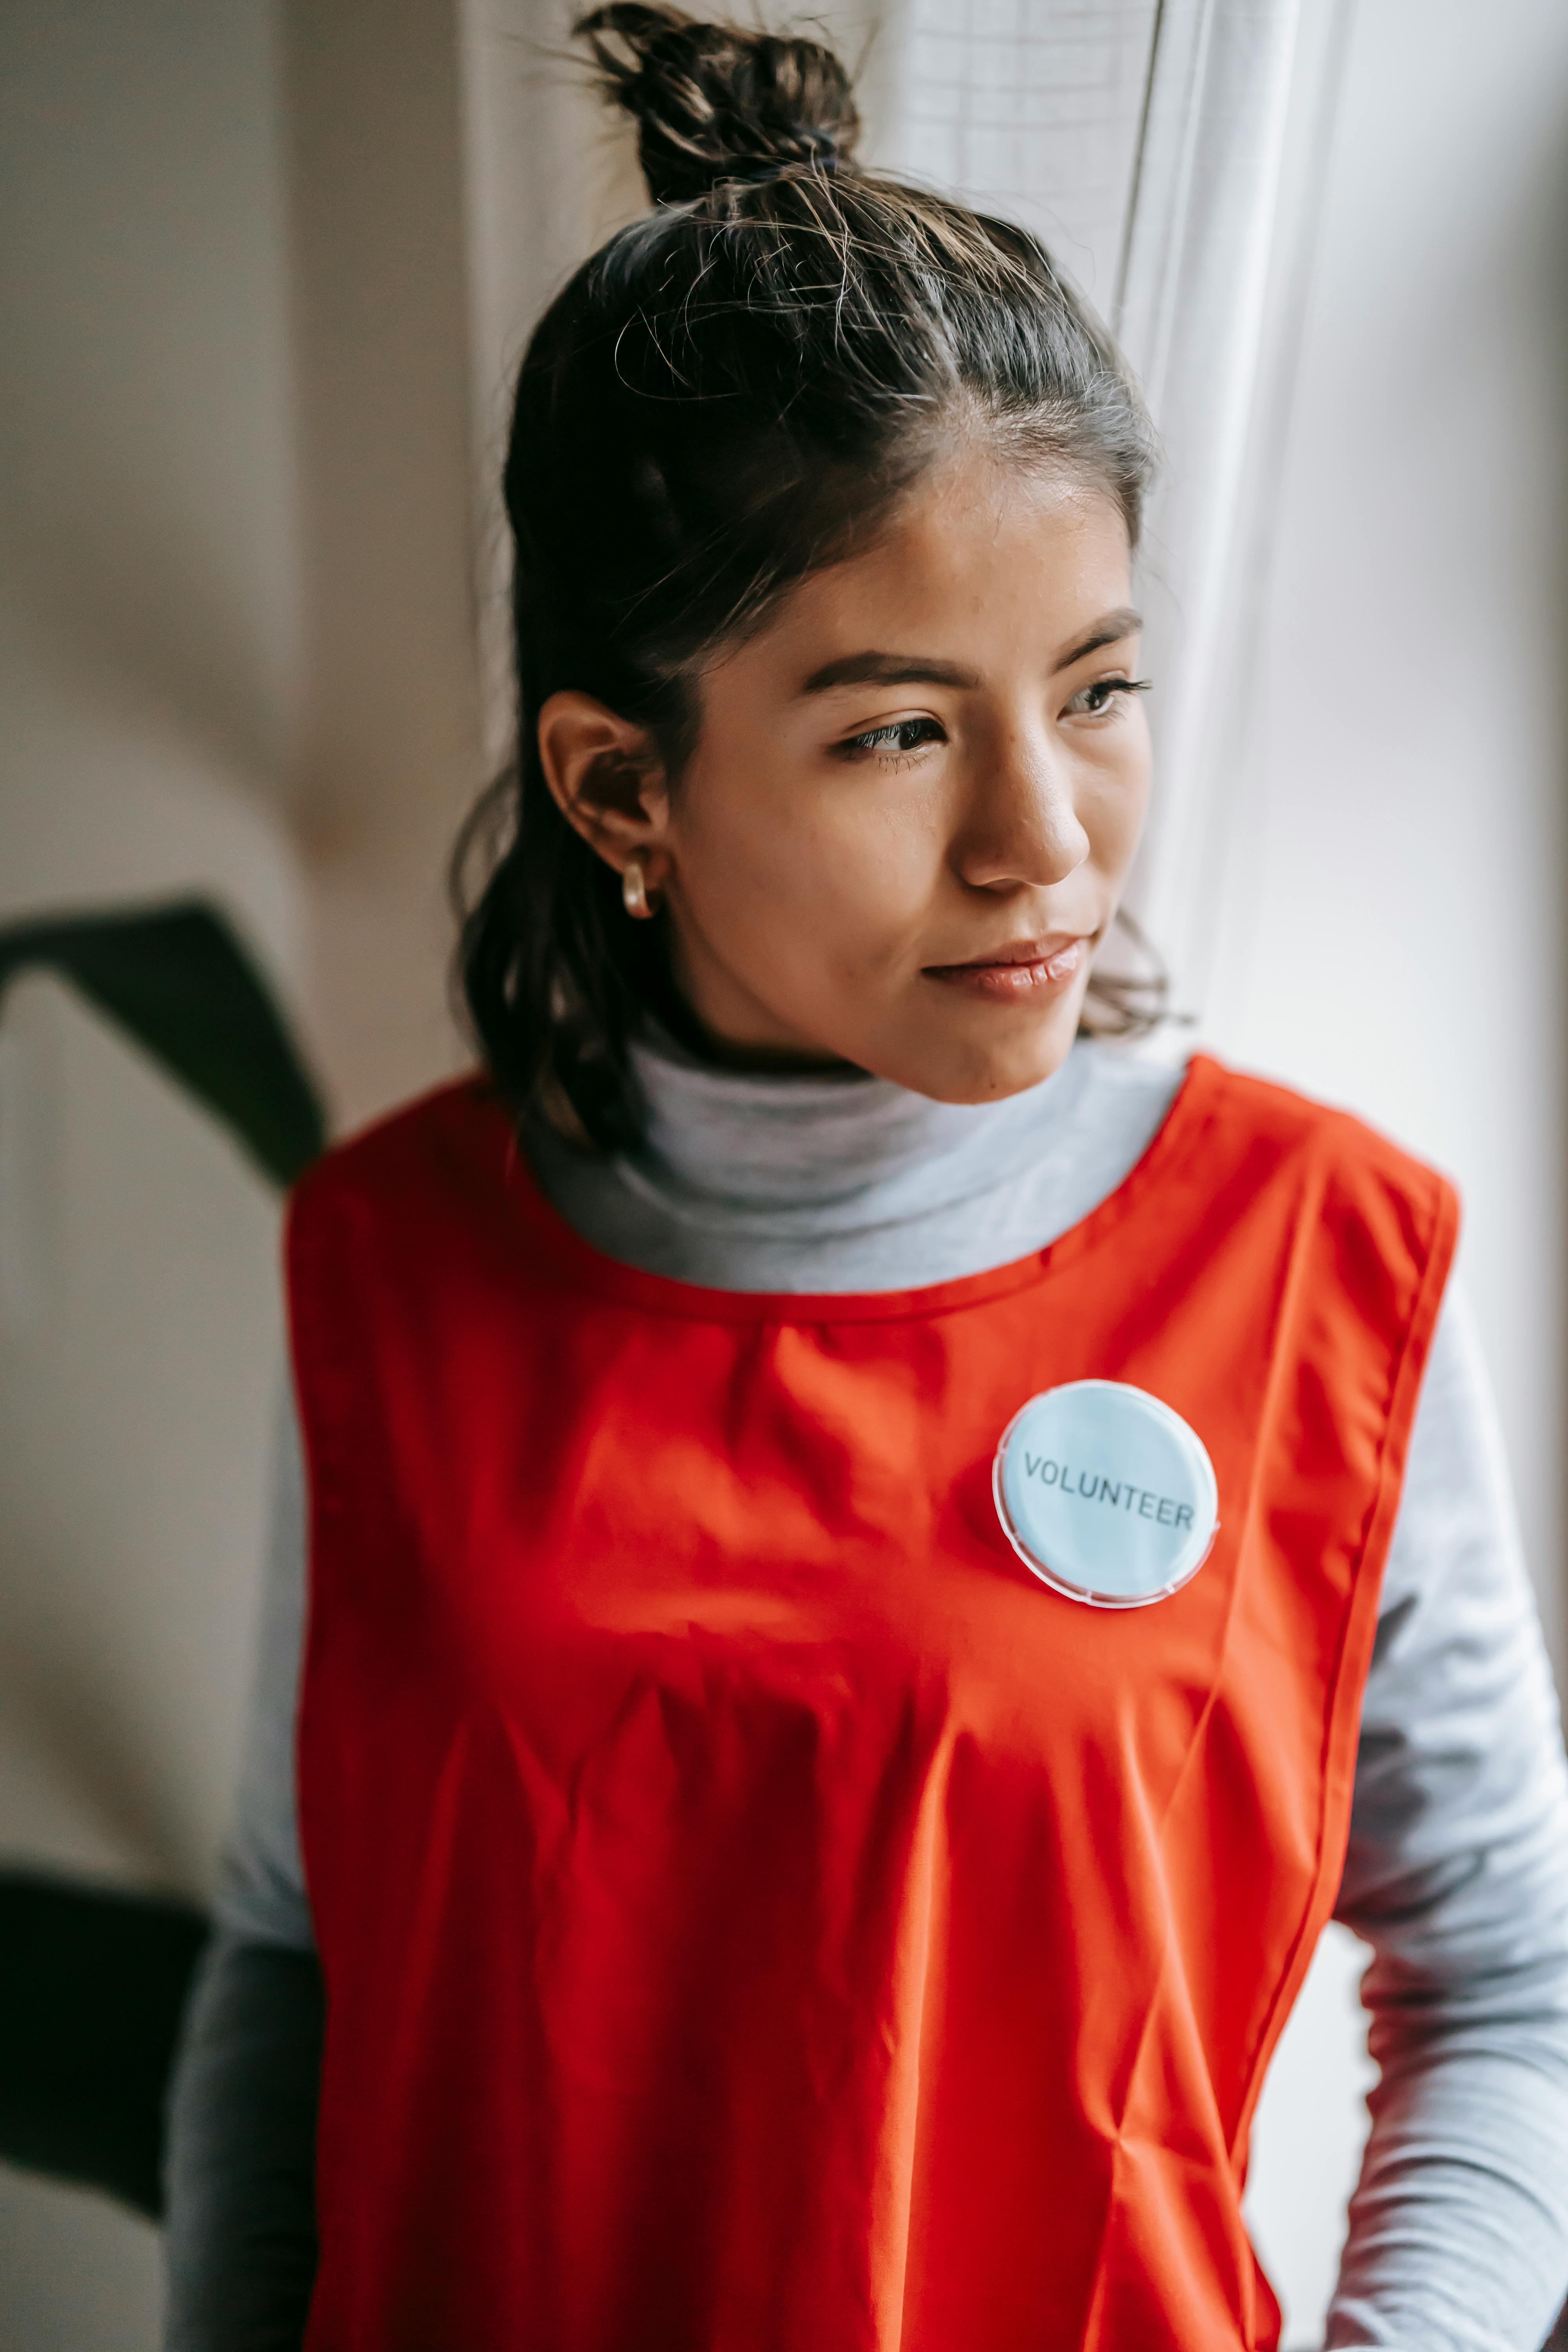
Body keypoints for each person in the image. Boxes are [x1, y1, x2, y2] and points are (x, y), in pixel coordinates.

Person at [164, 8, 1568, 2347]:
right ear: (622, 791)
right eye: (902, 729)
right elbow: (292, 1967)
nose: (1048, 843)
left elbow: (1515, 1976)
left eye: (1098, 691)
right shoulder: (391, 1266)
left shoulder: (1322, 1265)